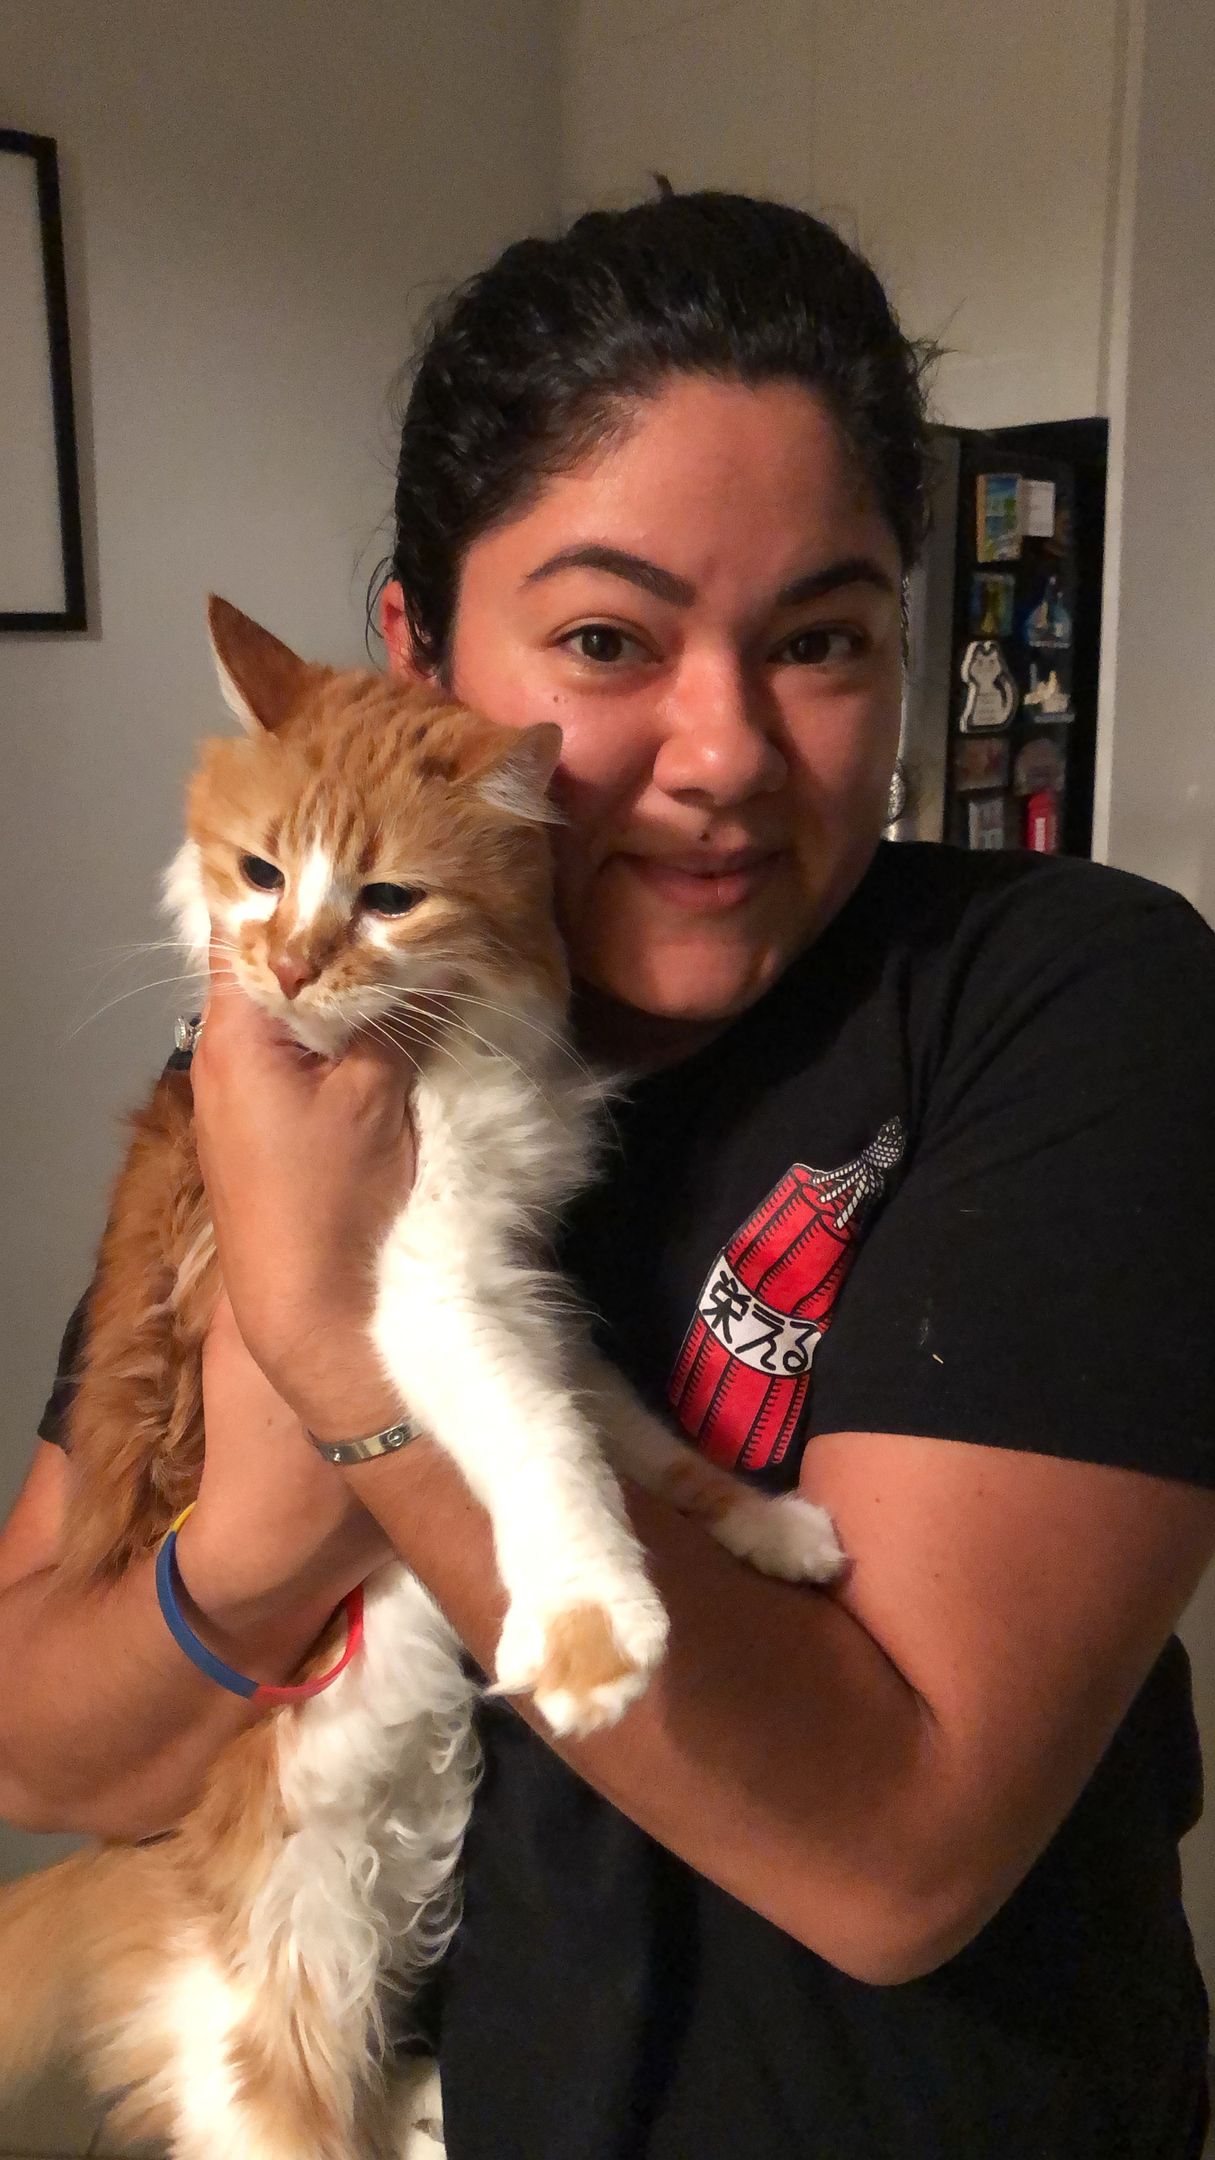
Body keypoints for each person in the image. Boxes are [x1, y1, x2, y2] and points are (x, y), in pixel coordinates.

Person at [4, 189, 1215, 2159]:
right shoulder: (306, 1048)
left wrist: (332, 1346)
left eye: (816, 638)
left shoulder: (1071, 1003)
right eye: (600, 636)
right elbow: (43, 1729)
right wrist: (262, 1540)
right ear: (404, 658)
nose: (723, 749)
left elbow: (897, 1860)